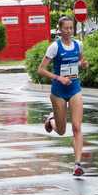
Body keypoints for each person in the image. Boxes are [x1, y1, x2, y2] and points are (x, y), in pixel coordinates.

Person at [37, 16, 88, 176]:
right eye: (65, 28)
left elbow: (80, 61)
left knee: (77, 127)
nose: (69, 31)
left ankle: (77, 165)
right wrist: (59, 78)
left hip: (74, 88)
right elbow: (41, 70)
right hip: (58, 91)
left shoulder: (78, 44)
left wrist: (84, 65)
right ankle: (51, 120)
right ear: (59, 30)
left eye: (71, 28)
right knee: (61, 130)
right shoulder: (54, 47)